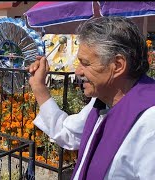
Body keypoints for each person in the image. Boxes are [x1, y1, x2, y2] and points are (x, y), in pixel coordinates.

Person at [28, 16, 155, 179]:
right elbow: (69, 134)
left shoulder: (150, 121)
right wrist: (39, 87)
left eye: (85, 63)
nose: (78, 72)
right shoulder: (102, 102)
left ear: (117, 65)